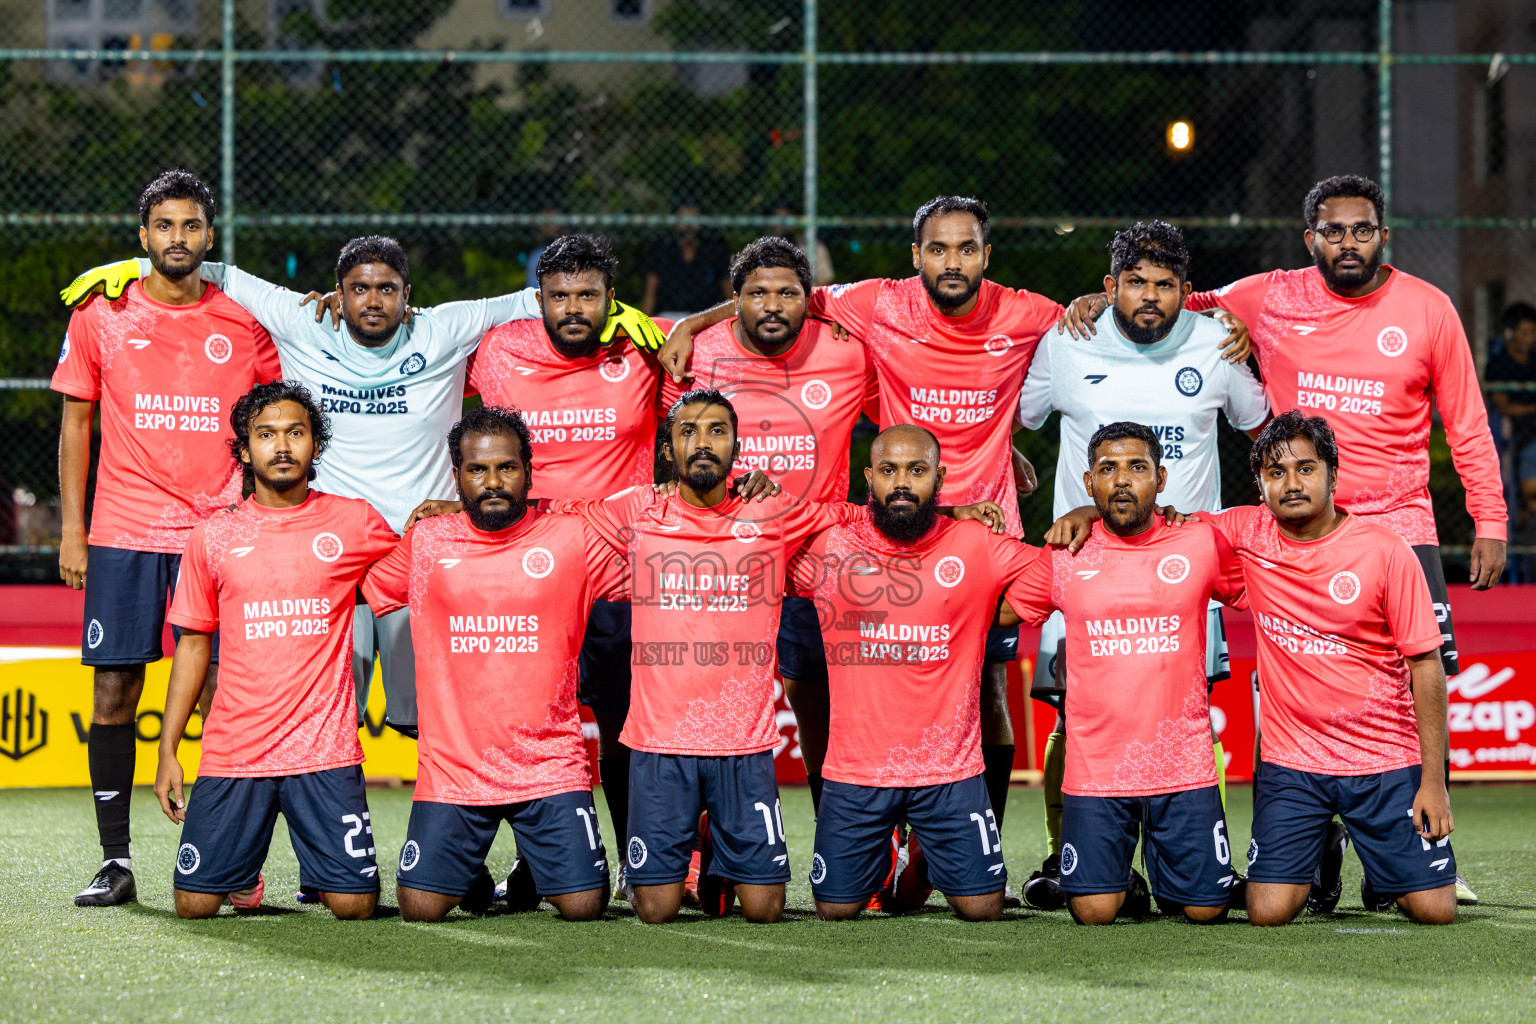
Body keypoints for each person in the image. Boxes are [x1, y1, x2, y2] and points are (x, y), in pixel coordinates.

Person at [1059, 174, 1502, 906]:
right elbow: (1176, 299)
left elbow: (1468, 422)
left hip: (1399, 525)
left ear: (1382, 235)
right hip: (1288, 526)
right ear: (1311, 239)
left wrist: (1489, 519)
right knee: (1290, 686)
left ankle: (1430, 847)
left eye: (1362, 230)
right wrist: (1100, 303)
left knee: (1419, 674)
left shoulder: (1429, 309)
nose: (1348, 243)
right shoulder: (1270, 295)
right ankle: (1312, 866)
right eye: (1333, 231)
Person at [59, 239, 664, 751]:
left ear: (408, 295)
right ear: (338, 293)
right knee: (323, 713)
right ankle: (329, 862)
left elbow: (538, 299)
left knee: (428, 718)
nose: (372, 300)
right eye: (358, 288)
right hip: (332, 559)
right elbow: (220, 272)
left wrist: (627, 314)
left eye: (386, 289)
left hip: (420, 556)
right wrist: (138, 269)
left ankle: (449, 849)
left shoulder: (444, 328)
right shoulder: (302, 321)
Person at [660, 197, 1065, 879]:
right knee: (813, 696)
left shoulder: (1021, 312)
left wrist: (1008, 445)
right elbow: (781, 295)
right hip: (816, 551)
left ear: (986, 255)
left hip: (969, 531)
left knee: (982, 693)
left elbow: (1097, 330)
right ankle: (832, 847)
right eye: (939, 248)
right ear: (917, 255)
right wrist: (693, 322)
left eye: (967, 248)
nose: (953, 261)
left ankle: (970, 851)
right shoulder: (871, 308)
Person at [545, 389, 1003, 924]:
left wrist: (950, 512)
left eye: (717, 430)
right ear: (667, 448)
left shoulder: (772, 508)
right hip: (659, 739)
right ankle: (701, 844)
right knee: (655, 911)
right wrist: (455, 510)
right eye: (688, 431)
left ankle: (720, 844)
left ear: (737, 445)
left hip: (745, 739)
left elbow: (861, 514)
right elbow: (545, 514)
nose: (702, 442)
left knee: (765, 911)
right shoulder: (637, 509)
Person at [1012, 221, 1270, 910]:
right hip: (1084, 567)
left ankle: (1191, 861)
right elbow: (1019, 414)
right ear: (1109, 287)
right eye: (1135, 283)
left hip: (1184, 573)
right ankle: (1071, 858)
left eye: (1164, 285)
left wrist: (1247, 337)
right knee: (1073, 717)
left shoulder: (1216, 343)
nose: (1149, 297)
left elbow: (1262, 425)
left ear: (1187, 291)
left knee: (1188, 713)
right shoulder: (1069, 341)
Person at [52, 169, 280, 907]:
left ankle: (223, 858)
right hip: (122, 531)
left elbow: (277, 418)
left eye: (190, 226)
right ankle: (115, 861)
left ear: (209, 237)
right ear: (142, 234)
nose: (177, 238)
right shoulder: (101, 315)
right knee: (115, 687)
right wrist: (73, 532)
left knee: (223, 692)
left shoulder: (246, 321)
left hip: (216, 536)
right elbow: (76, 426)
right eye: (164, 226)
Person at [458, 234, 671, 885]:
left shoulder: (647, 349)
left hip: (621, 581)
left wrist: (674, 326)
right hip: (527, 582)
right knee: (526, 729)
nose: (573, 307)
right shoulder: (499, 351)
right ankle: (537, 863)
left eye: (588, 295)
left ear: (613, 299)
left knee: (625, 729)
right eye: (559, 296)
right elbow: (411, 357)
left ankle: (645, 861)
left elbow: (727, 333)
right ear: (538, 299)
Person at [360, 407, 626, 921]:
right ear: (456, 475)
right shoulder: (427, 542)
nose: (493, 482)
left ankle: (533, 865)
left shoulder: (572, 539)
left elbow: (655, 558)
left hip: (549, 766)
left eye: (507, 468)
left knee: (583, 907)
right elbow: (362, 586)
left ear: (528, 471)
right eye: (477, 470)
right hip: (455, 768)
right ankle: (471, 872)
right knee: (420, 910)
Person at [153, 381, 398, 919]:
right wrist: (168, 748)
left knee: (353, 908)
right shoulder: (213, 536)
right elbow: (193, 647)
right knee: (194, 906)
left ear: (315, 444)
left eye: (295, 433)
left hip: (324, 747)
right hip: (235, 748)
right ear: (245, 449)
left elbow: (414, 575)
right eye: (266, 435)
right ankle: (242, 868)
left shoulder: (354, 521)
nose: (281, 446)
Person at [1206, 412, 1455, 926]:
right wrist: (1084, 516)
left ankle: (1381, 868)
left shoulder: (1385, 551)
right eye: (1276, 473)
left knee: (1435, 912)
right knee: (1267, 912)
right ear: (1260, 486)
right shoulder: (1246, 533)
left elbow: (1427, 667)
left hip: (1384, 759)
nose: (1291, 483)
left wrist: (1434, 782)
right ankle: (1326, 850)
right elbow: (1163, 527)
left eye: (1305, 469)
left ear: (1333, 476)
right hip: (1293, 764)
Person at [658, 236, 878, 820]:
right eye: (757, 293)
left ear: (810, 299)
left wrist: (1005, 450)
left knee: (824, 713)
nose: (773, 305)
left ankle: (849, 837)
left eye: (787, 293)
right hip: (719, 570)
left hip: (815, 566)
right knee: (706, 714)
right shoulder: (699, 352)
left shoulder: (847, 352)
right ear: (736, 300)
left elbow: (910, 412)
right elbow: (664, 439)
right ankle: (699, 851)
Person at [790, 425, 1039, 921]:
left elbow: (1054, 579)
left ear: (939, 477)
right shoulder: (831, 547)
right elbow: (759, 545)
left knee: (984, 910)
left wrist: (1087, 520)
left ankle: (924, 857)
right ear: (869, 479)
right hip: (857, 774)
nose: (902, 483)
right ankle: (884, 857)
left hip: (949, 772)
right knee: (835, 910)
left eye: (917, 470)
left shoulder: (975, 542)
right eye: (889, 471)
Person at [1001, 422, 1246, 924]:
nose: (1121, 481)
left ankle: (1166, 874)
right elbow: (1001, 610)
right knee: (1093, 912)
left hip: (1182, 765)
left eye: (1137, 468)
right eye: (1107, 470)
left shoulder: (1199, 542)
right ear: (1089, 483)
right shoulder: (1066, 554)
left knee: (1205, 911)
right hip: (1097, 771)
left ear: (1160, 477)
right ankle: (1123, 880)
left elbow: (1258, 590)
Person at [641, 202, 733, 320]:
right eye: (684, 215)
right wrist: (644, 323)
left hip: (706, 314)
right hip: (669, 314)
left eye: (693, 215)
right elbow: (650, 291)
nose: (689, 222)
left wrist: (732, 321)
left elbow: (727, 288)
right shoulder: (662, 247)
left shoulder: (714, 247)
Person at [1484, 302, 1536, 491]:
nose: (1530, 338)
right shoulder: (1498, 365)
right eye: (1525, 332)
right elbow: (1503, 406)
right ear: (1510, 332)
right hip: (1514, 434)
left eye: (1533, 332)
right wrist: (1530, 409)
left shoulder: (1534, 360)